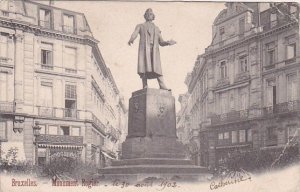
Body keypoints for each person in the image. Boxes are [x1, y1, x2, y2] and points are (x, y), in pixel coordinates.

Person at [128, 8, 176, 90]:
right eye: (147, 14)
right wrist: (131, 39)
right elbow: (135, 33)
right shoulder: (140, 26)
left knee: (157, 67)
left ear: (153, 16)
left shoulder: (156, 28)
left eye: (151, 14)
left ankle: (162, 85)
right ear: (145, 16)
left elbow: (161, 42)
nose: (149, 15)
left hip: (154, 50)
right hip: (144, 49)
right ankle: (144, 85)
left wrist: (168, 42)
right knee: (144, 66)